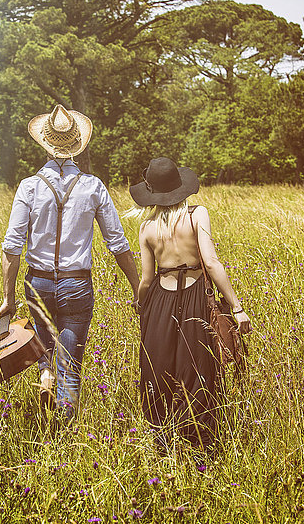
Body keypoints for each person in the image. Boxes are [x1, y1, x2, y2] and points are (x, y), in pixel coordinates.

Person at [0, 104, 139, 422]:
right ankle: (65, 427)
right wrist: (136, 286)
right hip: (77, 284)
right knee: (71, 360)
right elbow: (117, 244)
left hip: (39, 281)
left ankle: (46, 375)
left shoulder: (29, 187)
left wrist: (8, 299)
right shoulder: (94, 187)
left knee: (45, 342)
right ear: (77, 145)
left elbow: (12, 247)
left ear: (44, 144)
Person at [129, 157, 251, 457]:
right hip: (196, 293)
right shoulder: (198, 215)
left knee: (157, 366)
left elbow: (146, 279)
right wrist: (236, 307)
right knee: (197, 366)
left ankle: (162, 439)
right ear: (180, 187)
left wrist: (141, 304)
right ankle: (200, 442)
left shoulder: (146, 227)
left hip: (159, 298)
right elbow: (210, 262)